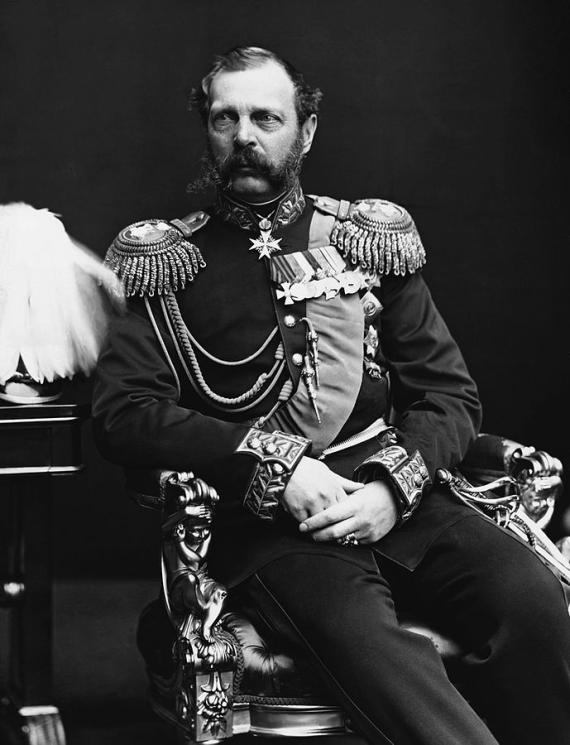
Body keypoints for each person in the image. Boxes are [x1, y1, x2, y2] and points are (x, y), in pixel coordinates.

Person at [92, 46, 570, 745]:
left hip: (402, 500)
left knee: (533, 606)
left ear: (305, 132)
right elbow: (124, 413)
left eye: (266, 117)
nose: (245, 135)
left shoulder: (366, 240)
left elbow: (449, 396)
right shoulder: (163, 262)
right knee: (380, 654)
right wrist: (276, 468)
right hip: (268, 529)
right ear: (207, 130)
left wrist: (391, 487)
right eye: (226, 118)